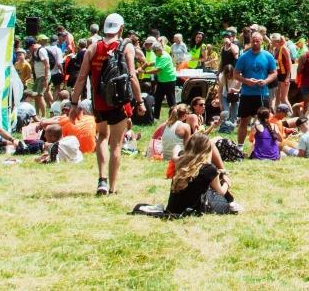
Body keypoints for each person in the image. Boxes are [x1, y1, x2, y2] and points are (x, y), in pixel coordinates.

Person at [68, 12, 147, 196]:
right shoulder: (126, 47)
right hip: (119, 102)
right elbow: (133, 77)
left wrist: (74, 104)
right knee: (117, 145)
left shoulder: (93, 48)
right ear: (121, 28)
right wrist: (140, 101)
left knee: (102, 136)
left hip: (99, 101)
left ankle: (101, 179)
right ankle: (112, 186)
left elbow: (80, 79)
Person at [166, 133, 237, 215]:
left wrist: (177, 152)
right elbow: (220, 192)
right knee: (222, 202)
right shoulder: (209, 169)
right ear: (207, 149)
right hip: (191, 210)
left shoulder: (180, 161)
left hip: (172, 209)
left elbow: (175, 152)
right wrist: (226, 183)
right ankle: (232, 202)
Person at [234, 32, 278, 146]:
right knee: (244, 121)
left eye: (257, 40)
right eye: (253, 40)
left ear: (262, 41)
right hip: (247, 94)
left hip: (262, 93)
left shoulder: (268, 56)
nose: (255, 43)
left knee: (265, 121)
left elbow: (274, 73)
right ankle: (240, 146)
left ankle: (266, 145)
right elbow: (236, 74)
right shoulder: (244, 56)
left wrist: (265, 81)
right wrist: (247, 81)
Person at [268, 33, 293, 110]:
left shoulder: (284, 48)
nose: (271, 42)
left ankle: (291, 114)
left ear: (276, 41)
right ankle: (276, 114)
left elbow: (289, 63)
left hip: (285, 75)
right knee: (277, 98)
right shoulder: (275, 49)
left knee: (283, 98)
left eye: (272, 41)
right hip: (278, 75)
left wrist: (288, 77)